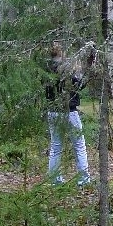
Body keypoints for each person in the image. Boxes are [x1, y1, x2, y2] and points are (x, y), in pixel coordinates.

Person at [45, 41, 91, 185]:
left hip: (53, 112)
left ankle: (54, 179)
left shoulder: (46, 70)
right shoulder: (68, 68)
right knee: (79, 145)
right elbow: (79, 85)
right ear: (61, 53)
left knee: (56, 146)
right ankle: (84, 179)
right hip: (70, 112)